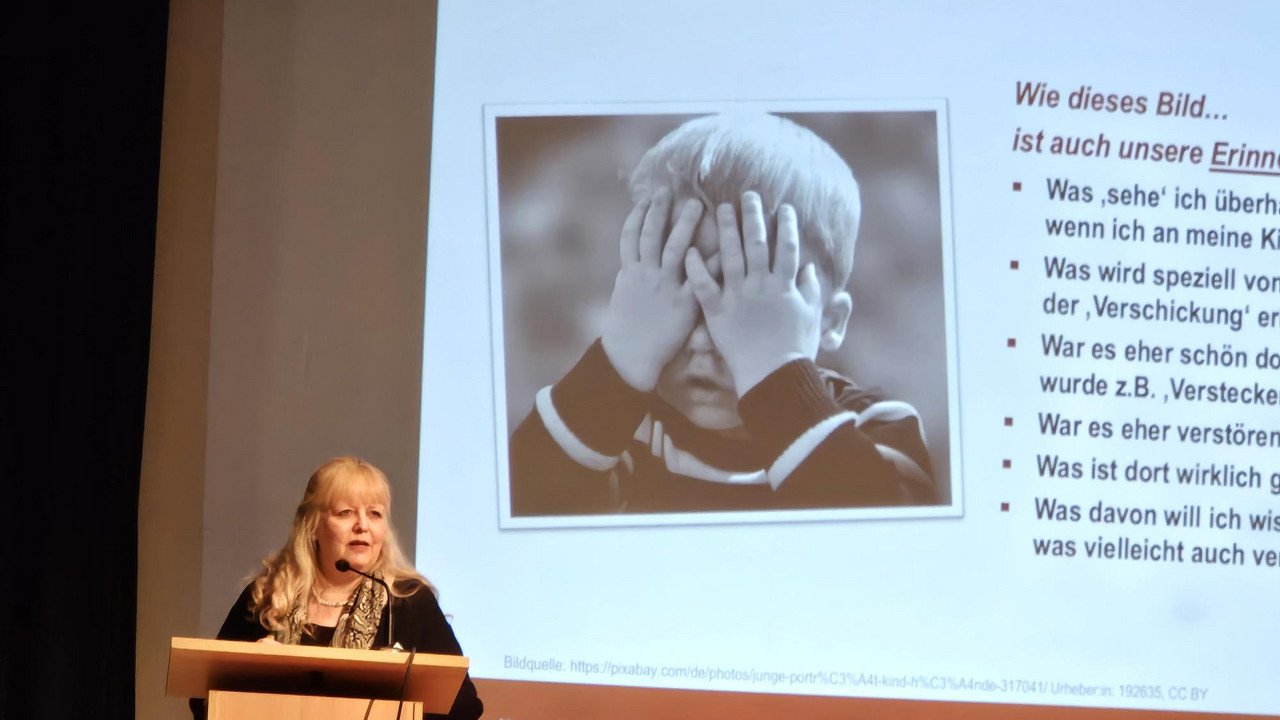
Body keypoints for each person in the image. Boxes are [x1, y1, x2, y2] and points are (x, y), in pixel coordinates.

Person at [509, 112, 937, 516]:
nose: (701, 338)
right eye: (677, 295)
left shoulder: (875, 426)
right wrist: (620, 356)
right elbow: (523, 505)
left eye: (752, 304)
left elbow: (897, 552)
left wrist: (775, 372)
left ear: (830, 320)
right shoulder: (616, 434)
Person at [192, 456, 483, 720]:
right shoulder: (268, 595)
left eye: (375, 514)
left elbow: (464, 706)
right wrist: (250, 671)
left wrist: (398, 695)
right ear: (313, 526)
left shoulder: (408, 602)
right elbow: (203, 697)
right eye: (345, 513)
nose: (362, 526)